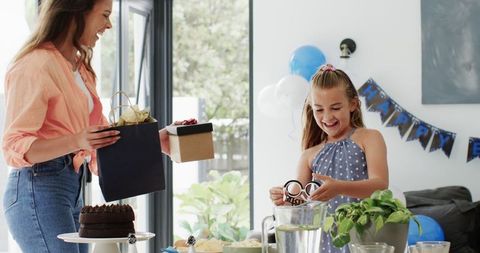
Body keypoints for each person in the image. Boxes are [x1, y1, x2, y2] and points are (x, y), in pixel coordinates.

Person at [1, 0, 170, 252]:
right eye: (104, 15)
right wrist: (77, 141)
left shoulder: (80, 69)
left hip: (72, 185)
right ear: (77, 10)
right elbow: (14, 148)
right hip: (37, 189)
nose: (109, 25)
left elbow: (100, 140)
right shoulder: (34, 65)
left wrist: (155, 142)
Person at [269, 64, 389, 253]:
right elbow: (300, 201)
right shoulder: (309, 155)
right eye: (319, 110)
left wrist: (339, 187)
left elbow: (380, 185)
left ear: (353, 104)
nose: (327, 117)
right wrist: (285, 198)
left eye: (335, 108)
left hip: (364, 239)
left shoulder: (369, 138)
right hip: (322, 244)